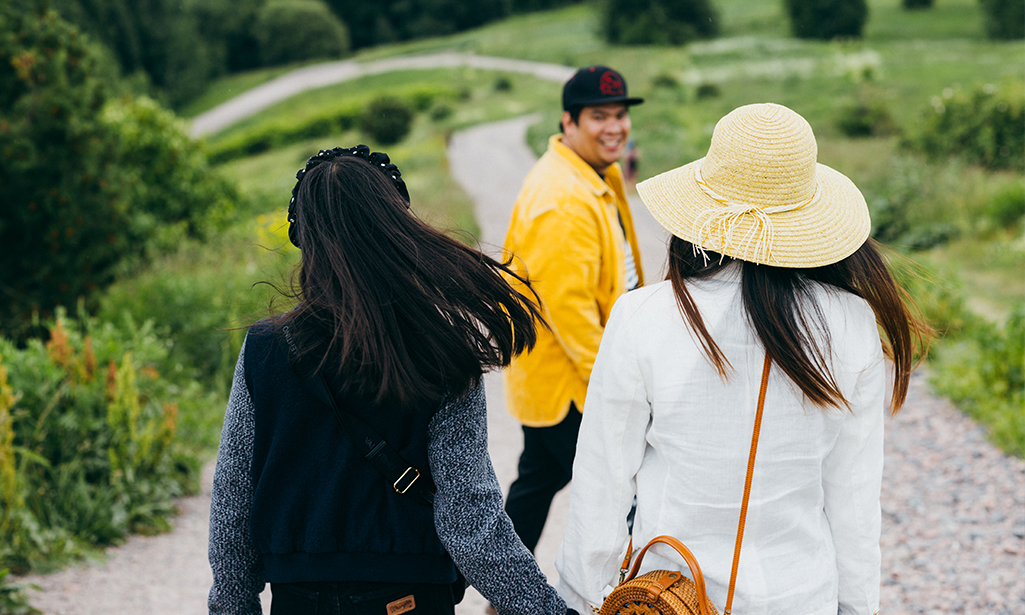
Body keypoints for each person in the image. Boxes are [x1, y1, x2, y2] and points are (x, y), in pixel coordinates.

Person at [556, 103, 929, 614]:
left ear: (703, 206)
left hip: (668, 599)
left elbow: (601, 487)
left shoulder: (642, 317)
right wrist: (857, 608)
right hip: (800, 597)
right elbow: (854, 504)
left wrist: (582, 597)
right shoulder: (852, 322)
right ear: (808, 216)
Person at [207, 145, 577, 615]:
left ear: (307, 239)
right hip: (407, 602)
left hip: (298, 601)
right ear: (396, 230)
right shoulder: (439, 349)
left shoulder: (264, 349)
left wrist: (234, 606)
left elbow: (233, 502)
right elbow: (470, 519)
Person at [501, 65, 645, 555]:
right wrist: (619, 384)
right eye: (598, 116)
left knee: (539, 481)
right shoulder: (561, 198)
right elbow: (570, 310)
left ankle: (495, 590)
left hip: (567, 380)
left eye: (621, 114)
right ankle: (636, 597)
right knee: (628, 494)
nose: (615, 127)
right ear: (569, 122)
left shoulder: (591, 173)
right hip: (573, 386)